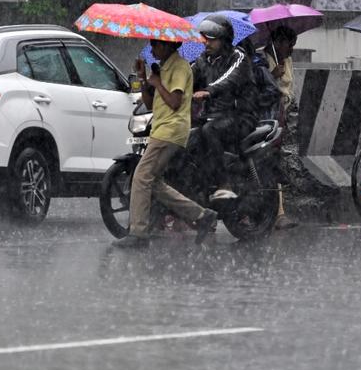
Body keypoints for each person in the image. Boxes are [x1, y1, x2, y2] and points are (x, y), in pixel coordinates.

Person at [113, 39, 218, 249]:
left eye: (156, 45)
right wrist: (144, 79)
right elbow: (151, 103)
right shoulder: (163, 68)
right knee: (153, 182)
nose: (152, 49)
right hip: (161, 129)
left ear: (168, 46)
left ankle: (139, 233)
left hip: (171, 130)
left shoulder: (179, 67)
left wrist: (158, 83)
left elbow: (175, 102)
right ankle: (202, 215)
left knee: (141, 176)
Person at [191, 14, 257, 193]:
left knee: (209, 130)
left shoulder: (238, 58)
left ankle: (224, 181)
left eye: (211, 40)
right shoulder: (203, 60)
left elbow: (229, 79)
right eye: (205, 39)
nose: (206, 43)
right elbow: (186, 78)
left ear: (224, 40)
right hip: (212, 116)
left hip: (240, 116)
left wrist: (209, 91)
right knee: (189, 135)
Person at [262, 26, 301, 230]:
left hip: (283, 115)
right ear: (278, 43)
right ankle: (277, 212)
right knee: (271, 160)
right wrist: (272, 74)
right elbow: (264, 87)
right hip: (268, 116)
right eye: (289, 45)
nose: (291, 49)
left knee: (277, 160)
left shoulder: (287, 61)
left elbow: (290, 89)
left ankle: (279, 211)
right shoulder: (263, 60)